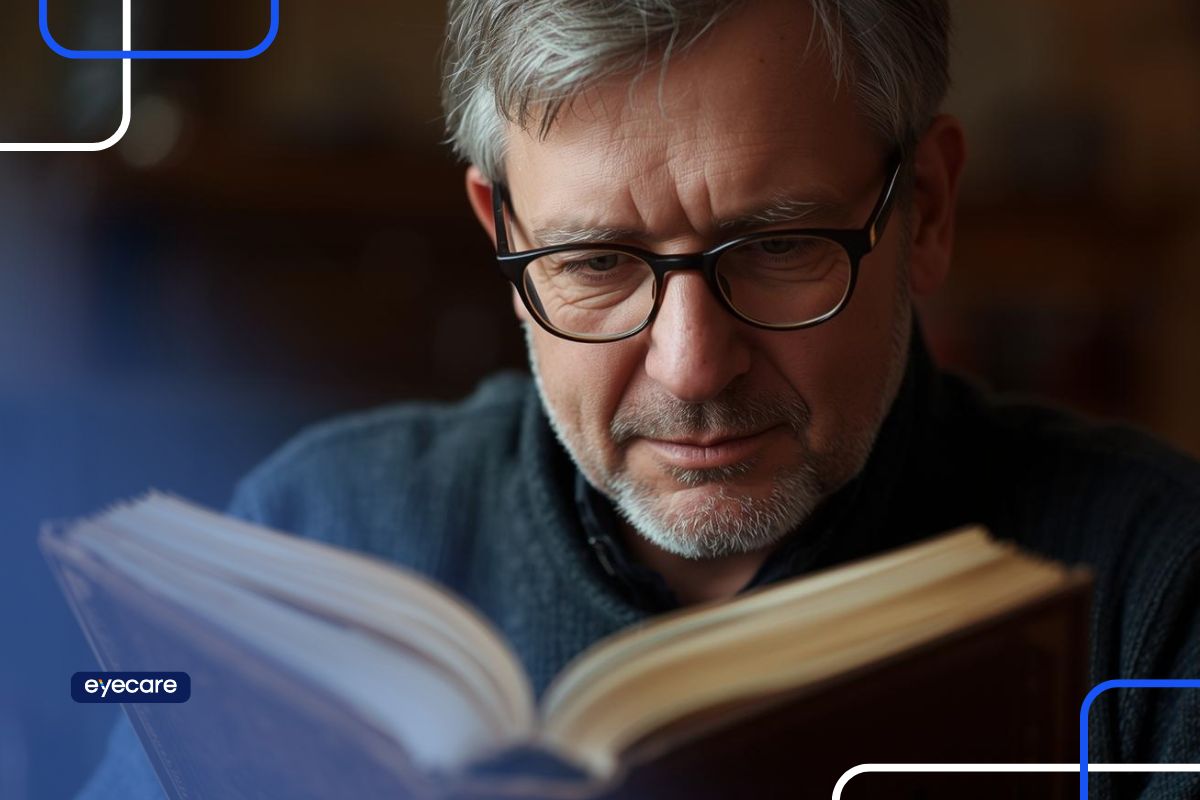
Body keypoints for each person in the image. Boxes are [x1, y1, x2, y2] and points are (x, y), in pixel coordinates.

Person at [78, 1, 1200, 798]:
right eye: (596, 263)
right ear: (500, 233)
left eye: (776, 246)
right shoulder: (308, 537)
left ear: (932, 211)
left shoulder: (1159, 594)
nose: (692, 366)